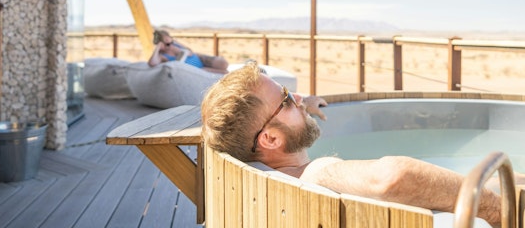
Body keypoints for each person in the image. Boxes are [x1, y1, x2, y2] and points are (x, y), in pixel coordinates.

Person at [201, 62, 503, 226]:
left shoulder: (259, 174)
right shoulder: (314, 175)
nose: (298, 99)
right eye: (286, 98)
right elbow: (393, 177)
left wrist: (302, 104)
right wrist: (498, 210)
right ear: (270, 138)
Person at [148, 29, 229, 74]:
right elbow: (152, 63)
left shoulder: (175, 44)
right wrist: (157, 47)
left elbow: (189, 50)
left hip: (199, 59)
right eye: (167, 44)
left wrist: (174, 42)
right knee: (225, 73)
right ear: (160, 44)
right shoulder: (162, 56)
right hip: (199, 69)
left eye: (171, 41)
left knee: (223, 63)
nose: (171, 45)